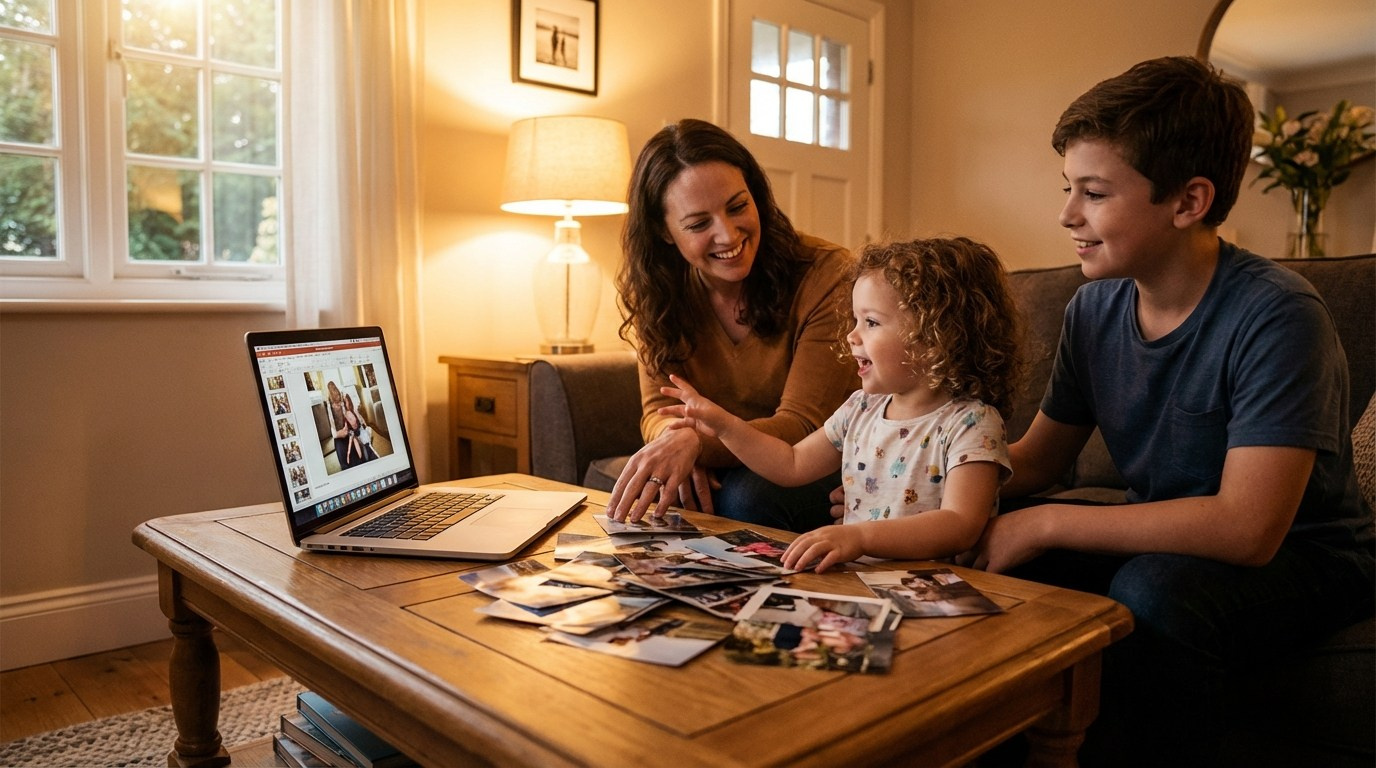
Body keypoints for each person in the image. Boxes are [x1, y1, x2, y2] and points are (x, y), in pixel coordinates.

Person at [967, 56, 1374, 767]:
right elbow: (1039, 458)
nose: (1066, 215)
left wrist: (1051, 519)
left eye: (1093, 193)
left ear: (1188, 201)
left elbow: (1249, 529)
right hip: (1172, 538)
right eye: (1069, 188)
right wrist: (923, 490)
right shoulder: (1093, 306)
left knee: (1155, 590)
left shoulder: (1278, 316)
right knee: (1006, 565)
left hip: (1309, 554)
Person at [660, 237, 1021, 573]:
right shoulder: (860, 409)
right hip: (858, 580)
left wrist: (859, 536)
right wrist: (724, 426)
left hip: (936, 591)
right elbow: (791, 463)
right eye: (855, 320)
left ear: (935, 337)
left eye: (871, 322)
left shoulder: (972, 423)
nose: (852, 335)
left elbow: (960, 524)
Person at [606, 118, 859, 532]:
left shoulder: (827, 274)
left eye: (738, 206)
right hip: (729, 459)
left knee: (744, 497)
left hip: (820, 459)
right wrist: (674, 440)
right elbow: (657, 409)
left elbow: (800, 425)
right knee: (658, 492)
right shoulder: (656, 290)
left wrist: (695, 445)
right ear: (664, 232)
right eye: (699, 224)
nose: (728, 234)